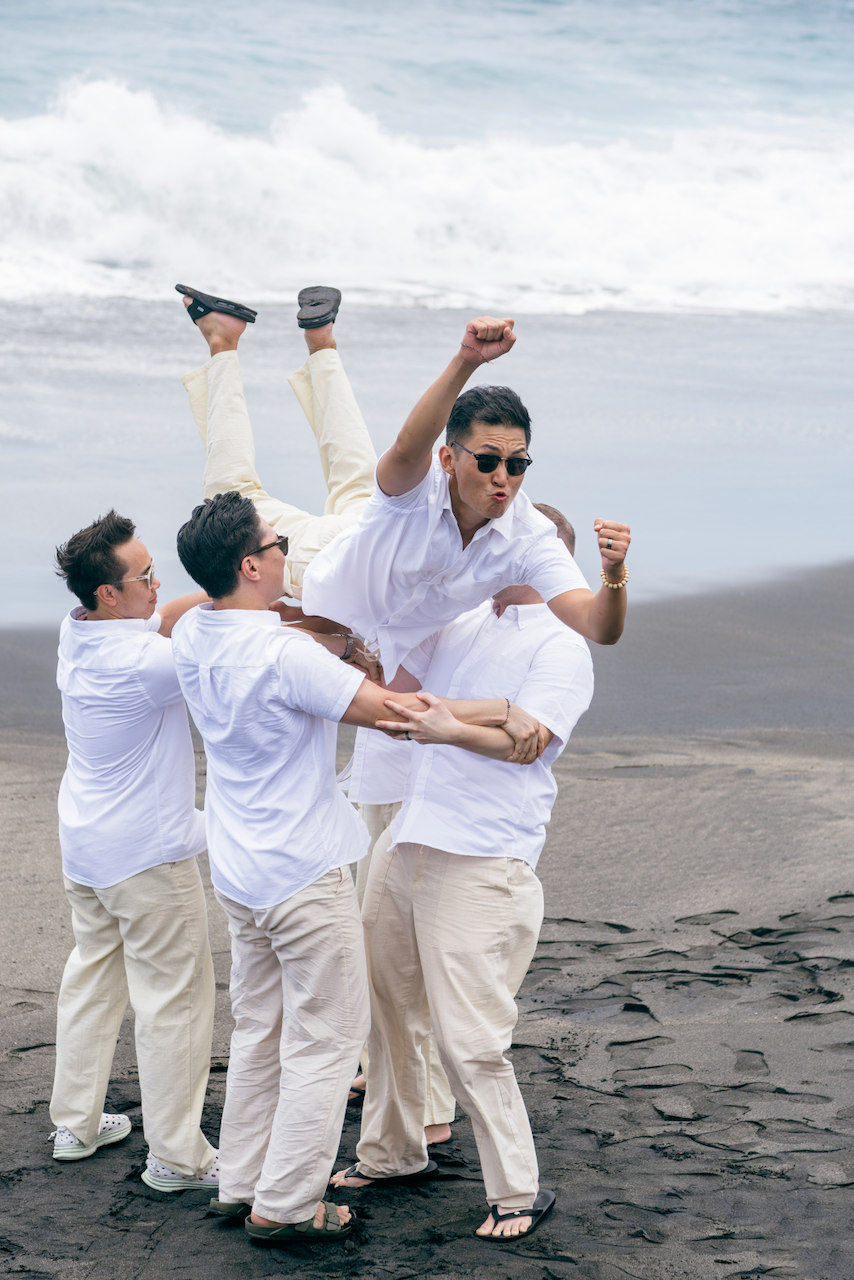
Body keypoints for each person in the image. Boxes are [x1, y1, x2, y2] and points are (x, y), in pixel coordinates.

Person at [170, 490, 542, 1245]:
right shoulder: (285, 658)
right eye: (276, 547)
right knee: (329, 1038)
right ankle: (287, 1202)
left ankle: (241, 1183)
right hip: (302, 874)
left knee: (259, 1028)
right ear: (249, 564)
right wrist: (502, 708)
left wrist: (317, 624)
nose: (286, 555)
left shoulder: (194, 635)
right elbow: (396, 716)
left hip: (238, 870)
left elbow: (222, 611)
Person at [331, 503, 594, 1243]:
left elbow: (531, 741)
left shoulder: (564, 645)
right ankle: (391, 1152)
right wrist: (338, 634)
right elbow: (390, 691)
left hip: (484, 855)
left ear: (543, 557)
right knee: (385, 1009)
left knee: (471, 1038)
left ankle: (518, 1188)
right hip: (410, 838)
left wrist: (454, 725)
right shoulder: (463, 622)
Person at [301, 315, 631, 680]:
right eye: (487, 461)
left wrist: (613, 575)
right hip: (306, 573)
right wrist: (467, 360)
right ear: (447, 460)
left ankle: (318, 344)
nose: (502, 477)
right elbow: (409, 449)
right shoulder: (419, 481)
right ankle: (246, 343)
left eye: (517, 463)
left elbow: (599, 628)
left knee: (352, 471)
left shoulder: (529, 539)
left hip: (366, 637)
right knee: (247, 489)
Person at [50, 511, 219, 1193]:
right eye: (145, 576)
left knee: (92, 978)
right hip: (148, 858)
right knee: (173, 1002)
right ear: (110, 595)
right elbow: (213, 651)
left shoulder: (77, 633)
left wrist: (202, 595)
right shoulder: (145, 664)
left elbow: (171, 614)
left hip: (86, 847)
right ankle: (178, 1158)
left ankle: (76, 1124)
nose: (158, 584)